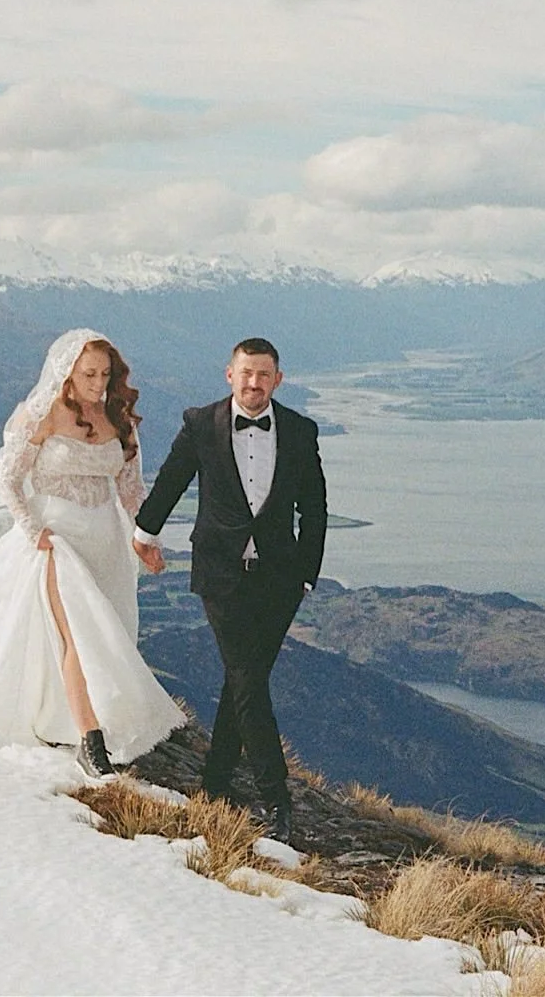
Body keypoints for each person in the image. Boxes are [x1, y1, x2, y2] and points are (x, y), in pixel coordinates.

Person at [0, 328, 183, 777]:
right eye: (88, 374)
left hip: (106, 543)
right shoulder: (43, 413)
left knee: (102, 633)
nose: (98, 383)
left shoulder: (120, 418)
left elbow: (131, 491)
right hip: (56, 540)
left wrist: (146, 541)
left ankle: (66, 717)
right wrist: (32, 529)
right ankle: (91, 741)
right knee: (78, 633)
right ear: (67, 372)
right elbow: (10, 479)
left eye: (105, 373)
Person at [131, 337, 327, 845]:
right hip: (220, 575)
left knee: (244, 681)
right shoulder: (201, 423)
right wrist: (143, 533)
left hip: (281, 580)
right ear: (229, 374)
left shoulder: (302, 431)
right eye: (246, 373)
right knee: (246, 676)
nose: (254, 383)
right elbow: (171, 481)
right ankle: (276, 800)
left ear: (278, 380)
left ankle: (215, 785)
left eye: (264, 374)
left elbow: (315, 508)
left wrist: (307, 572)